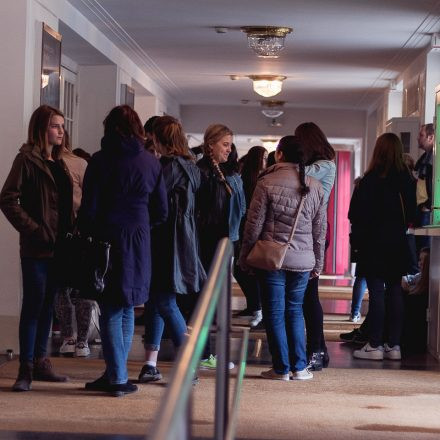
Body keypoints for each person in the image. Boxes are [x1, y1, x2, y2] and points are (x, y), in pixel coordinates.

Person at [78, 105, 168, 397]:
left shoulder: (101, 161)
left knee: (111, 308)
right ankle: (116, 372)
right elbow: (161, 210)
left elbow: (89, 208)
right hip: (140, 240)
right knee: (129, 305)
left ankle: (116, 377)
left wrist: (88, 232)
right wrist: (142, 225)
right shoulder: (152, 162)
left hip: (108, 239)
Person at [239, 135, 326, 381]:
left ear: (279, 154)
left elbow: (253, 225)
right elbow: (320, 230)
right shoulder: (315, 185)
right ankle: (299, 367)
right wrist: (318, 262)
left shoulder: (266, 182)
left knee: (275, 313)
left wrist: (245, 255)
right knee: (295, 311)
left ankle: (281, 369)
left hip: (272, 259)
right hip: (302, 260)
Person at [0, 105, 72, 391]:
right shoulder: (26, 159)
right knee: (33, 306)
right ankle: (25, 368)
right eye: (56, 126)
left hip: (61, 246)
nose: (61, 131)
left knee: (48, 308)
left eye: (62, 126)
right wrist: (34, 229)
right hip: (37, 247)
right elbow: (7, 199)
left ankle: (42, 362)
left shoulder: (61, 161)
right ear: (42, 128)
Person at [137, 116, 206, 383]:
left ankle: (189, 365)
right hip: (183, 239)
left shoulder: (169, 166)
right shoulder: (190, 166)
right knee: (156, 301)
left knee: (164, 300)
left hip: (165, 240)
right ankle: (150, 364)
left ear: (158, 137)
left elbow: (154, 200)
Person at [349, 133, 416, 361]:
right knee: (395, 291)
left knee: (377, 292)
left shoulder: (368, 181)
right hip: (397, 243)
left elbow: (354, 214)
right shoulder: (407, 180)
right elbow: (413, 215)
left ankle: (375, 343)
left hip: (372, 244)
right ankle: (393, 345)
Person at [186, 124, 245, 370]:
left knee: (214, 301)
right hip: (206, 245)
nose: (229, 149)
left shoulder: (226, 172)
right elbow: (203, 214)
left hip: (221, 244)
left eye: (230, 144)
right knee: (204, 301)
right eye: (225, 144)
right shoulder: (202, 172)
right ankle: (202, 354)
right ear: (211, 145)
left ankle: (205, 353)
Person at [294, 122, 336, 371]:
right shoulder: (321, 165)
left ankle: (317, 349)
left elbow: (300, 177)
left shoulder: (324, 166)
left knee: (310, 293)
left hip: (314, 231)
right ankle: (317, 348)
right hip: (308, 230)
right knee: (306, 294)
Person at [53, 131, 95, 357]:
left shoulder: (77, 163)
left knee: (72, 289)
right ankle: (75, 340)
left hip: (74, 231)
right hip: (65, 232)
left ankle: (76, 339)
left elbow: (88, 199)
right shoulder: (53, 163)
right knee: (68, 289)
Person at [234, 146, 268, 327]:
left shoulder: (262, 179)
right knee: (241, 269)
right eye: (264, 158)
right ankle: (255, 306)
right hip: (245, 228)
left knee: (249, 270)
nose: (266, 162)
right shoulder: (246, 179)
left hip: (255, 230)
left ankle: (257, 308)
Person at [401, 247, 430, 353]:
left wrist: (408, 288)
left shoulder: (430, 282)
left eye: (422, 261)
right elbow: (409, 278)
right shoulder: (420, 276)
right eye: (419, 260)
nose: (419, 264)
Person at [414, 123, 434, 251]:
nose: (417, 138)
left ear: (430, 137)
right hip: (422, 208)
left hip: (428, 210)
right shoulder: (424, 158)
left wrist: (428, 204)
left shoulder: (434, 158)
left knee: (426, 248)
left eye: (421, 135)